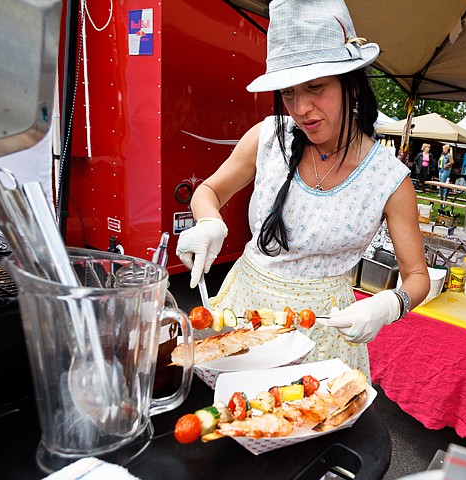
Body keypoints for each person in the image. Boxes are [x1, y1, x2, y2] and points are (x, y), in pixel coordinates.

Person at [175, 0, 429, 378]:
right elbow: (208, 191)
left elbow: (418, 276)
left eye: (315, 87)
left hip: (324, 330)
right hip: (245, 313)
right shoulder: (266, 137)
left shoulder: (389, 179)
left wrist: (392, 303)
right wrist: (208, 222)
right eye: (289, 93)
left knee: (307, 420)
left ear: (352, 85)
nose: (302, 108)